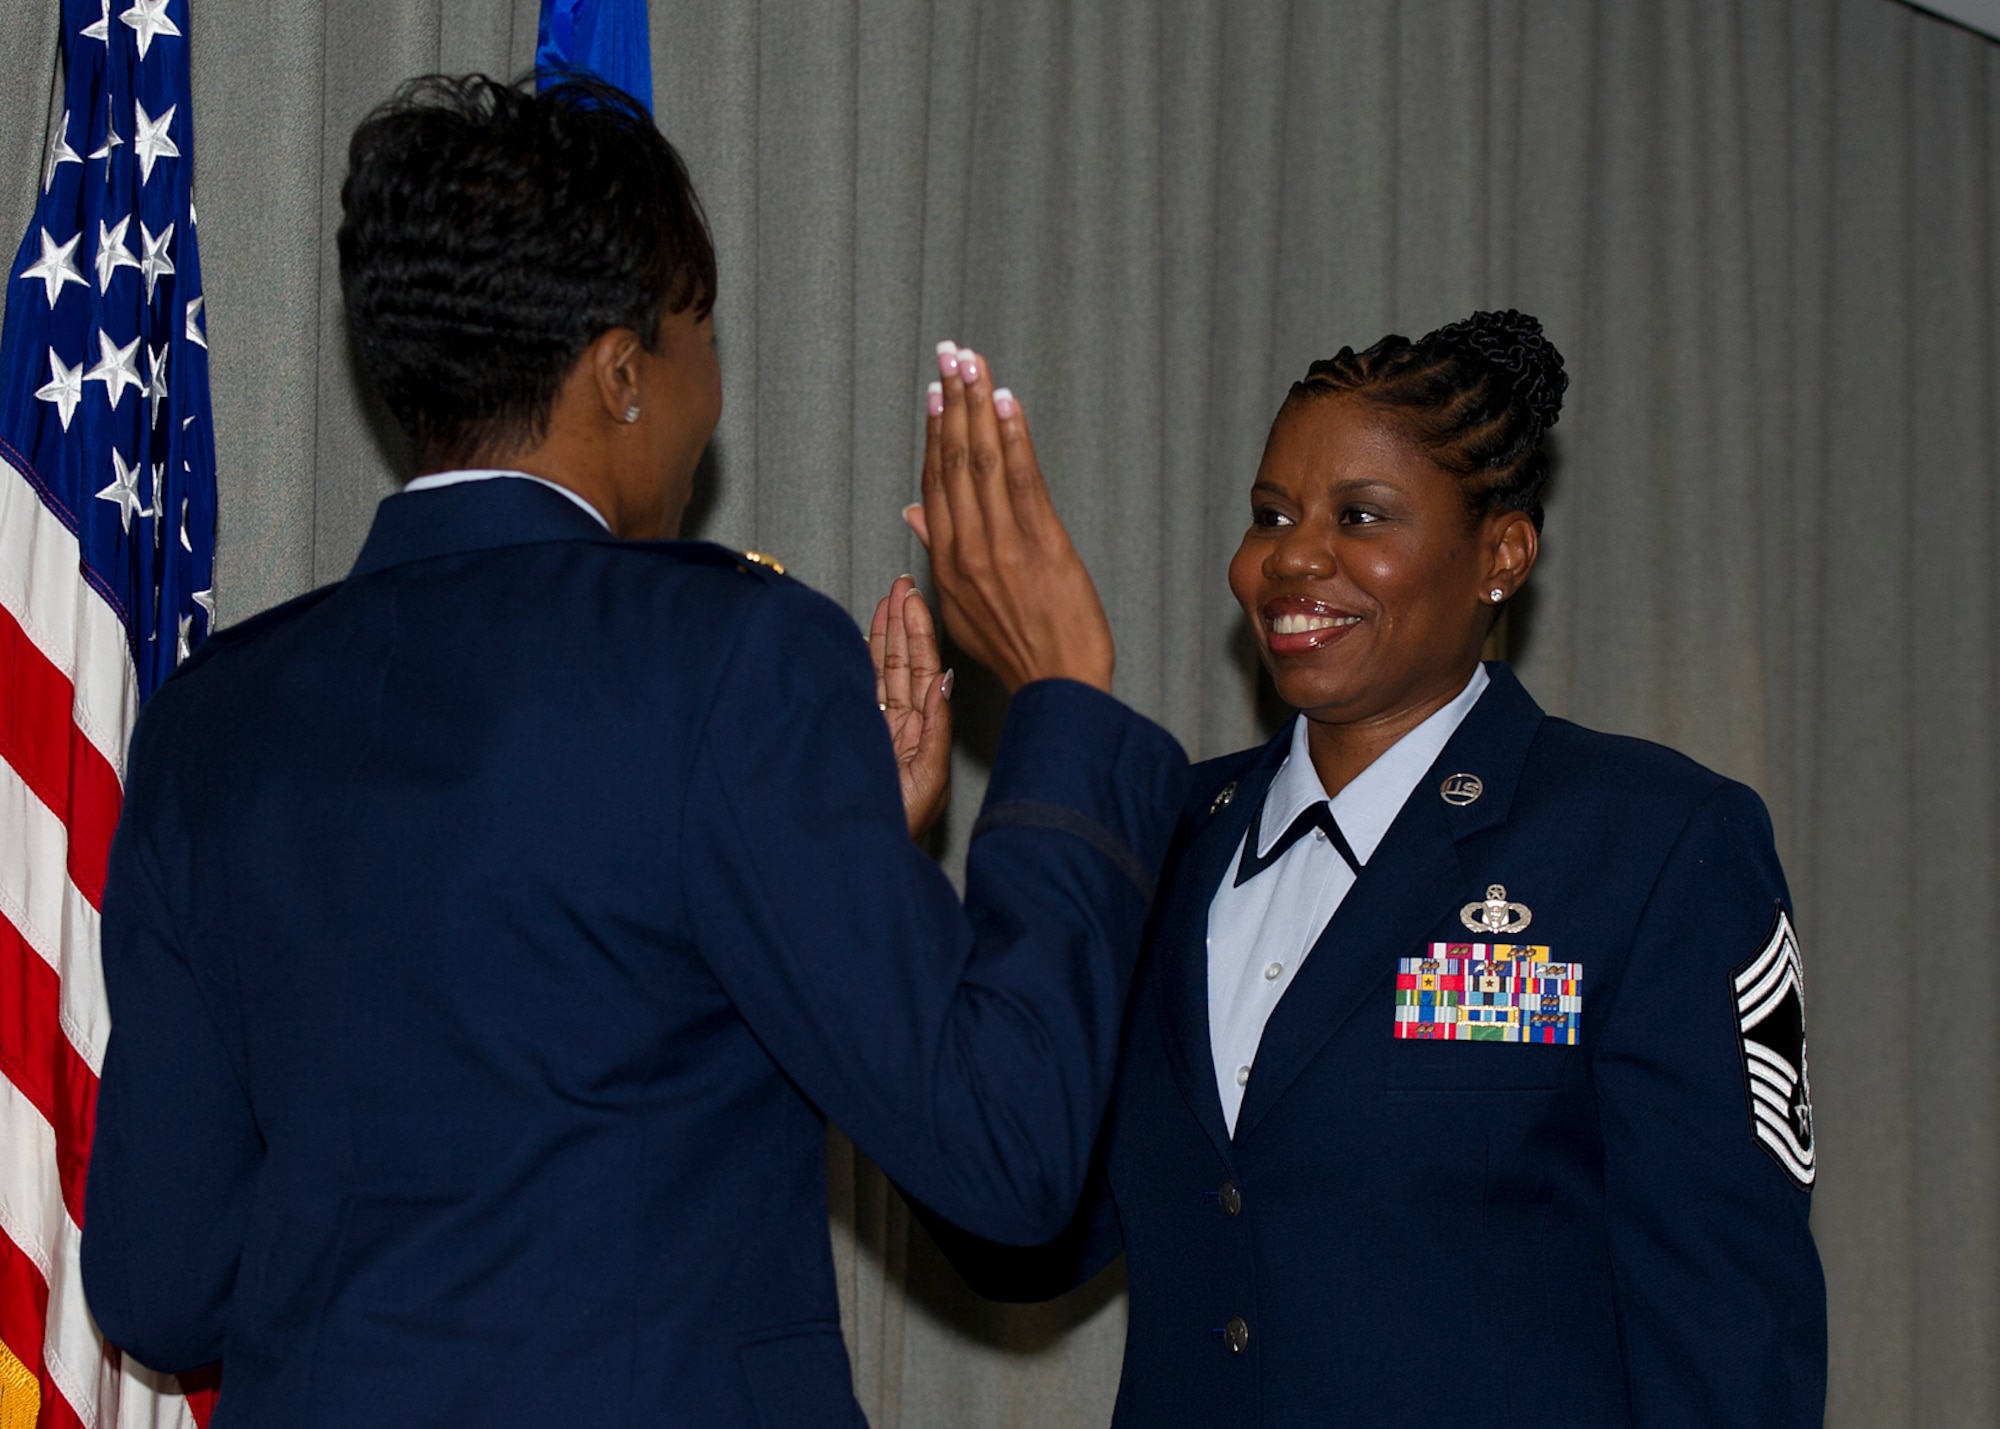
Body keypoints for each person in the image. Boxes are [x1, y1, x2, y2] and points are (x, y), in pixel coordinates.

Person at [79, 74, 1188, 1429]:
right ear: (620, 370)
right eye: (701, 336)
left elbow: (161, 1284)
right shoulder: (734, 654)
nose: (712, 389)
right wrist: (1063, 704)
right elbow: (1006, 1153)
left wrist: (822, 858)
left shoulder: (213, 714)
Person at [918, 311, 1828, 1426]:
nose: (1292, 556)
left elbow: (1730, 1336)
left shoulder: (1649, 844)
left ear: (1500, 554)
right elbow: (1015, 1230)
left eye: (1360, 515)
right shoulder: (1159, 836)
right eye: (1270, 516)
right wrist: (886, 874)